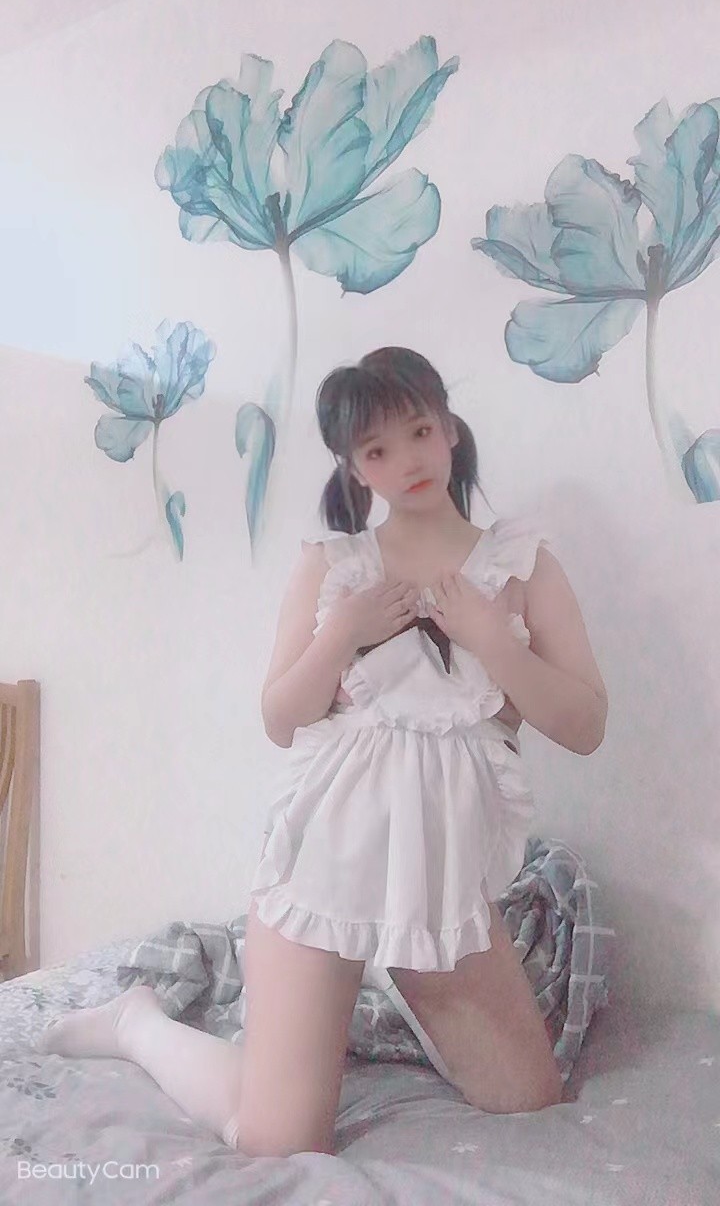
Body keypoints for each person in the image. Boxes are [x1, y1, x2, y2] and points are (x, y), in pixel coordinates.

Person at [38, 346, 608, 1159]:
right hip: (320, 875)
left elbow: (585, 725)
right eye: (377, 449)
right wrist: (342, 633)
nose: (407, 461)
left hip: (436, 886)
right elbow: (281, 717)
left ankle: (392, 990)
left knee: (528, 1099)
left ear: (449, 428)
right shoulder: (334, 568)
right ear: (354, 466)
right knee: (277, 1139)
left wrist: (492, 640)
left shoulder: (521, 565)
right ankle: (136, 1025)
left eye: (420, 432)